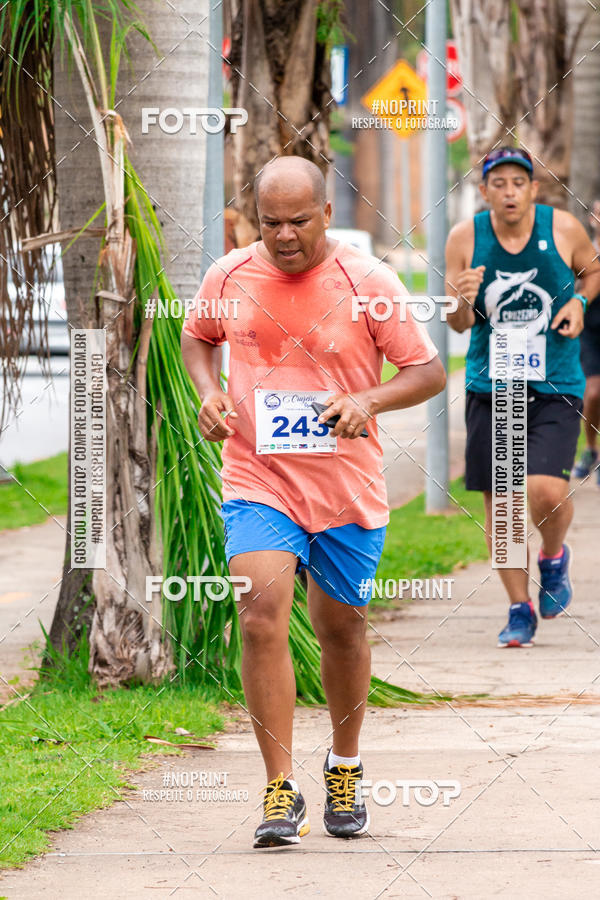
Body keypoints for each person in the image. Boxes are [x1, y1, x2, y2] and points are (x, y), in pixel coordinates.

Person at [181, 156, 445, 848]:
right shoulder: (230, 276)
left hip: (346, 488)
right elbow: (196, 339)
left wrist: (368, 399)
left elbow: (428, 371)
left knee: (342, 628)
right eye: (271, 222)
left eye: (299, 220)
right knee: (261, 612)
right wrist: (208, 392)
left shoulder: (369, 282)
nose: (285, 234)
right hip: (258, 479)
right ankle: (277, 788)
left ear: (327, 214)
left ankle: (346, 763)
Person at [445, 146, 600, 649]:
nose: (509, 192)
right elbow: (457, 321)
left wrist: (578, 302)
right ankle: (519, 608)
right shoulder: (465, 238)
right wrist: (463, 299)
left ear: (533, 189)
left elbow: (593, 270)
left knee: (546, 490)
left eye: (518, 183)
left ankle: (553, 557)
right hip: (493, 386)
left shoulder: (562, 229)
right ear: (484, 190)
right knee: (504, 509)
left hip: (554, 382)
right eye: (498, 183)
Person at [573, 198, 600, 481]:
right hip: (590, 331)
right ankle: (591, 448)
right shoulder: (585, 252)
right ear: (592, 219)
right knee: (593, 393)